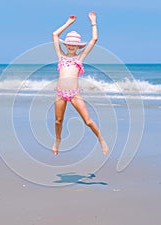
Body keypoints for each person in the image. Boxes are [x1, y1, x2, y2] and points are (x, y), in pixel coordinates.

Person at [52, 11, 109, 156]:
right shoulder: (61, 56)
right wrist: (68, 23)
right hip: (60, 93)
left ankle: (101, 140)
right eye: (69, 44)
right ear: (66, 45)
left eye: (74, 45)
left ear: (78, 47)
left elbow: (94, 39)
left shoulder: (80, 58)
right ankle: (58, 140)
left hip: (74, 93)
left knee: (88, 121)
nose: (71, 46)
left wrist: (93, 21)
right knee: (58, 121)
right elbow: (54, 35)